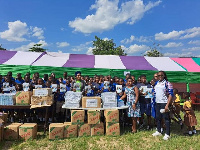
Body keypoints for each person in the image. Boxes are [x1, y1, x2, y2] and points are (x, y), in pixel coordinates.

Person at [152, 71, 173, 140]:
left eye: (161, 75)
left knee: (166, 118)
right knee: (158, 118)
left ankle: (167, 134)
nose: (160, 76)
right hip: (157, 102)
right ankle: (159, 131)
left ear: (164, 76)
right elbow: (155, 93)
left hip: (164, 103)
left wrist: (167, 105)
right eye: (158, 75)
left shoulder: (167, 83)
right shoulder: (157, 83)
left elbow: (170, 94)